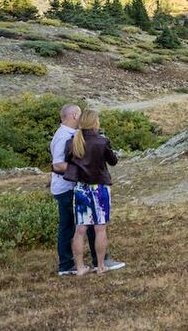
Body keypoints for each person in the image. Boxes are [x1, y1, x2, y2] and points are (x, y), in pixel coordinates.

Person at [50, 104, 123, 276]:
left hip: (78, 188)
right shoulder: (69, 138)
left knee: (79, 228)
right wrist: (86, 171)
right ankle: (96, 262)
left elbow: (64, 162)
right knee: (93, 226)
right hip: (79, 186)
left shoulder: (72, 138)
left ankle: (79, 265)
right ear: (75, 116)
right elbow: (58, 165)